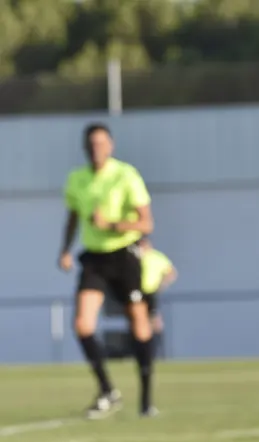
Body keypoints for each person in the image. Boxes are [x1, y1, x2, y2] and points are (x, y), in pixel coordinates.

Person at [59, 123, 157, 419]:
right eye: (91, 144)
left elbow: (146, 224)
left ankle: (146, 399)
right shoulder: (77, 179)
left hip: (124, 256)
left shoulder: (125, 175)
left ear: (111, 146)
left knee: (139, 323)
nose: (96, 149)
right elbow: (73, 218)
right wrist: (64, 250)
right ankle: (107, 390)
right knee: (82, 324)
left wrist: (112, 225)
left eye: (101, 143)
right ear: (84, 147)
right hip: (94, 259)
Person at [139, 236, 178, 357]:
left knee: (154, 321)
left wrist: (161, 285)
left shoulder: (156, 257)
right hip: (137, 293)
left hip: (150, 292)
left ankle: (157, 352)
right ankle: (142, 352)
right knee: (139, 321)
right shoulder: (135, 257)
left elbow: (171, 272)